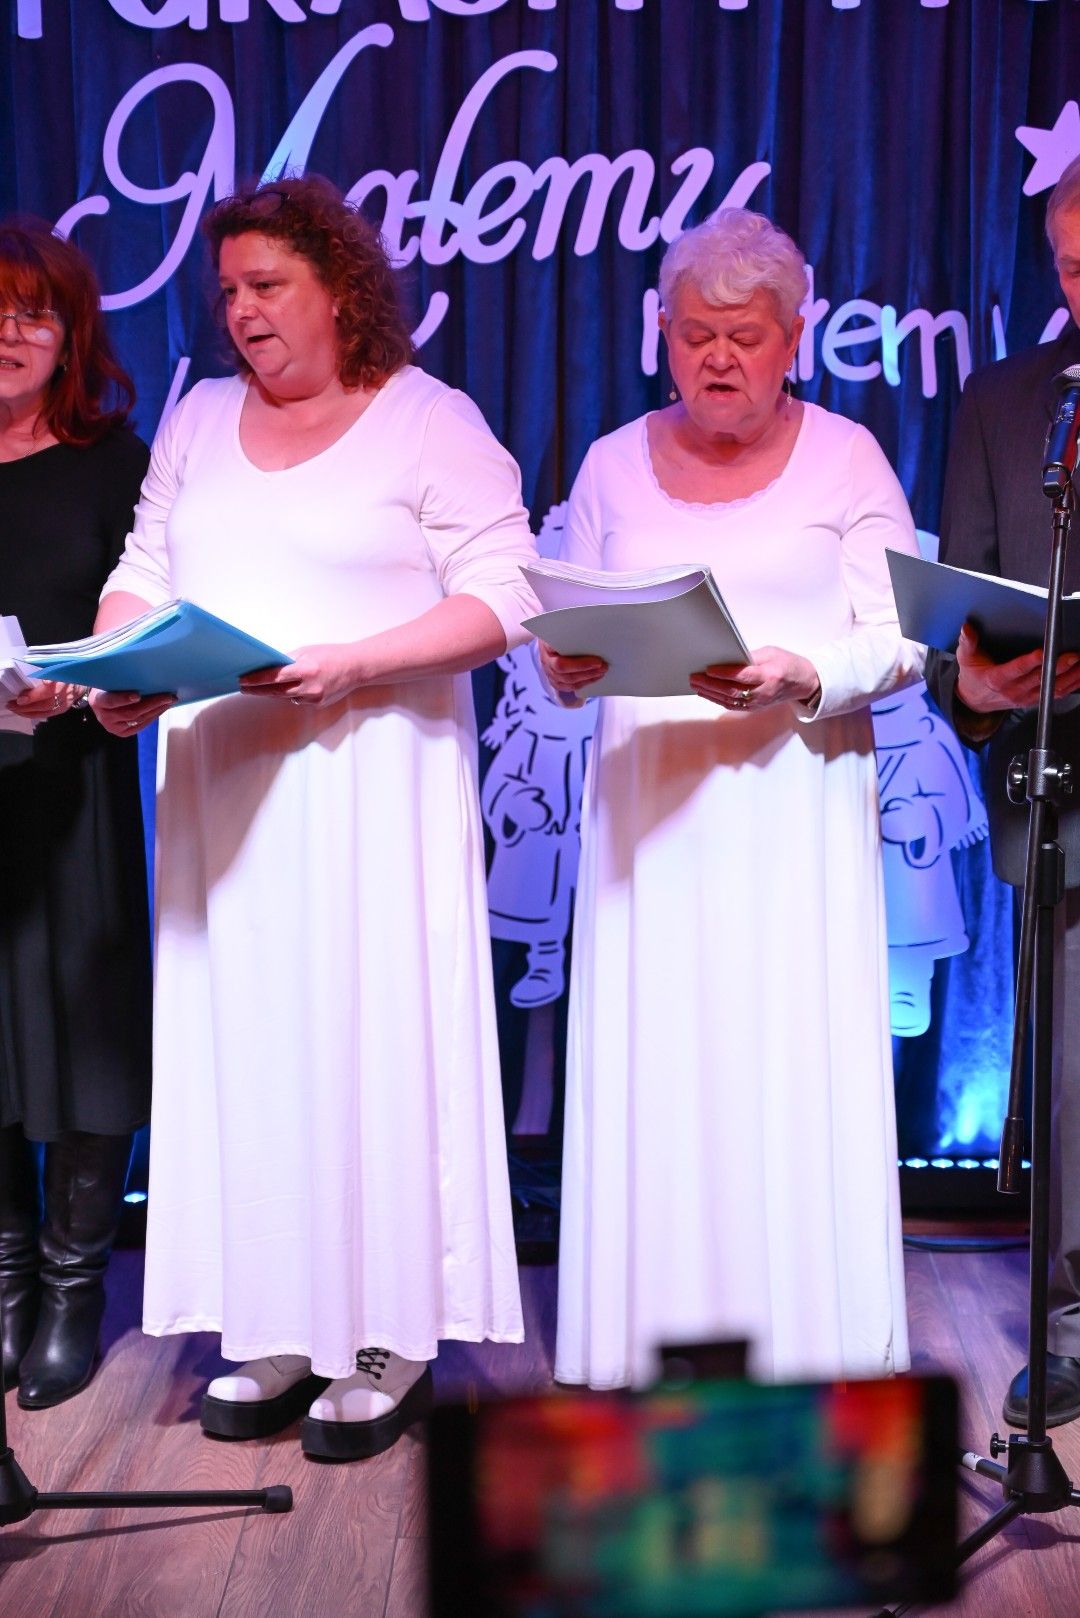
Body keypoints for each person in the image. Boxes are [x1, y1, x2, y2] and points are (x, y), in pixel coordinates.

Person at [90, 175, 538, 1461]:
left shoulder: (428, 419)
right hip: (228, 790)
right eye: (229, 289)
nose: (242, 310)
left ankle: (393, 1331)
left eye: (267, 285)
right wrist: (117, 669)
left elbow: (507, 593)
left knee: (375, 1042)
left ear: (341, 289)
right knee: (256, 1049)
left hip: (369, 784)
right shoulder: (199, 418)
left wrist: (357, 662)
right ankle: (282, 1318)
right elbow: (145, 567)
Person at [542, 208, 925, 1390]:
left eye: (744, 337)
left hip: (789, 808)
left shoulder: (848, 457)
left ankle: (809, 1345)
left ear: (794, 338)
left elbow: (903, 636)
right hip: (652, 817)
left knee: (784, 1065)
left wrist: (810, 672)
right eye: (694, 333)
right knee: (662, 1073)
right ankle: (645, 1343)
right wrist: (561, 664)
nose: (717, 357)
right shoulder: (611, 463)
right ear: (661, 331)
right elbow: (564, 621)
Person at [925, 155, 1080, 1429]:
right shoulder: (1006, 401)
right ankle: (1074, 1326)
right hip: (1063, 779)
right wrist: (970, 683)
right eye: (1072, 268)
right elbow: (958, 617)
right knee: (1075, 1072)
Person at [0, 220, 152, 1408]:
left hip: (75, 784)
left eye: (33, 314)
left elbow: (145, 615)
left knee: (91, 1027)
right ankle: (7, 1283)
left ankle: (71, 1286)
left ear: (71, 335)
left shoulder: (114, 462)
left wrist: (88, 680)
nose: (9, 334)